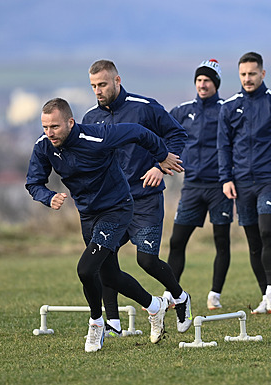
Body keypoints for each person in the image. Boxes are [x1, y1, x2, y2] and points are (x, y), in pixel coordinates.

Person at [26, 98, 183, 351]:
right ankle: (155, 306)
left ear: (70, 122)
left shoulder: (98, 136)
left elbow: (139, 132)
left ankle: (97, 324)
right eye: (45, 127)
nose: (49, 133)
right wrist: (48, 197)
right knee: (109, 275)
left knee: (86, 270)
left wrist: (162, 157)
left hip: (117, 208)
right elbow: (33, 182)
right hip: (88, 215)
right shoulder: (44, 146)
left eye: (54, 127)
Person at [82, 60, 193, 334]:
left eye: (103, 84)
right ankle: (113, 323)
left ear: (117, 81)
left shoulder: (144, 107)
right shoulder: (90, 119)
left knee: (147, 261)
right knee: (104, 261)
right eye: (94, 86)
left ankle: (180, 297)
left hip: (145, 198)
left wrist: (159, 166)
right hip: (111, 204)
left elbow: (177, 135)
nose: (98, 90)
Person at [218, 52, 271, 314]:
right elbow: (224, 146)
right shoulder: (229, 107)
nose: (247, 79)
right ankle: (267, 297)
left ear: (262, 74)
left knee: (266, 231)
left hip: (269, 180)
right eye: (243, 74)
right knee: (253, 241)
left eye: (252, 74)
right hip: (241, 183)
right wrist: (226, 178)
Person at [166, 59, 233, 310]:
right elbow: (164, 134)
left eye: (207, 80)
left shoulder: (228, 109)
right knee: (177, 241)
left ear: (216, 83)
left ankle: (215, 294)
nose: (202, 85)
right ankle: (171, 293)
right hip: (192, 185)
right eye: (198, 80)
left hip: (220, 186)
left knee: (221, 240)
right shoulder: (182, 111)